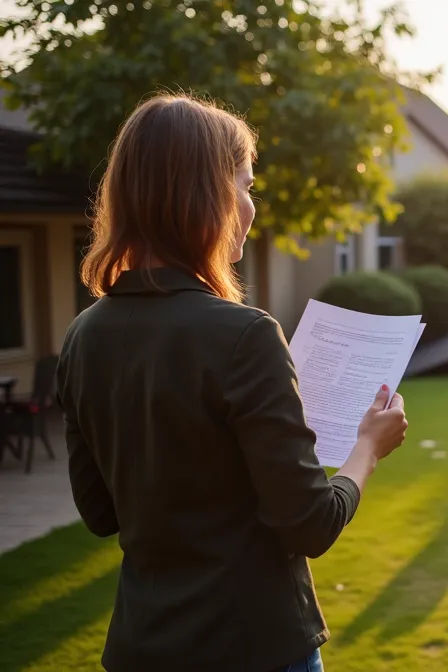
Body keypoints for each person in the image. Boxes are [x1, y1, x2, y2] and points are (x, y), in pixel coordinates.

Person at [54, 92, 408, 672]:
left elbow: (100, 513)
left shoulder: (80, 338)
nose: (251, 206)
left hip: (140, 651)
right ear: (205, 196)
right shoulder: (244, 336)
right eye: (245, 186)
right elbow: (311, 523)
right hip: (255, 648)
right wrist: (367, 448)